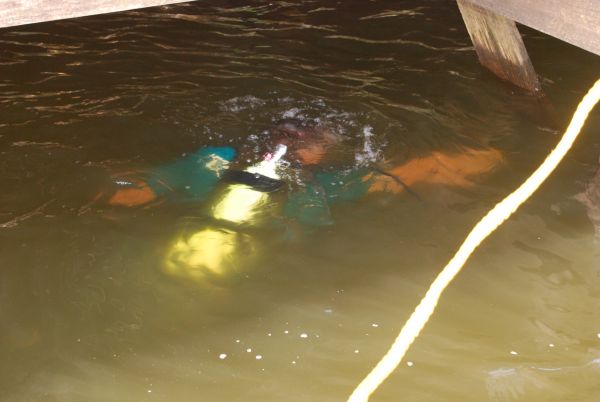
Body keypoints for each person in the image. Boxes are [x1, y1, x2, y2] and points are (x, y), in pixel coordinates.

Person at [98, 119, 503, 284]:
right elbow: (405, 175)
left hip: (178, 250)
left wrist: (104, 186)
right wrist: (483, 158)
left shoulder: (213, 159)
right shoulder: (322, 186)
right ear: (310, 155)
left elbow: (133, 194)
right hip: (232, 264)